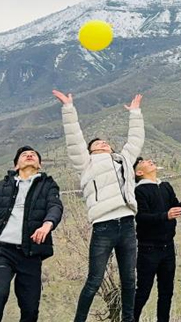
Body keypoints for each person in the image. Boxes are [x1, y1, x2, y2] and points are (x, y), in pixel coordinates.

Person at [55, 90, 143, 322]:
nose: (102, 144)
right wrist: (68, 109)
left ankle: (128, 319)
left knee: (129, 280)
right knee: (94, 279)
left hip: (127, 224)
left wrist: (135, 113)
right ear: (90, 150)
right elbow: (74, 139)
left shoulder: (122, 160)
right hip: (103, 226)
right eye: (96, 143)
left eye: (105, 142)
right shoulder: (85, 164)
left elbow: (135, 140)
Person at [0, 146, 63, 322]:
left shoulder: (48, 185)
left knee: (30, 307)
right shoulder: (2, 186)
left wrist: (47, 225)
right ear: (16, 165)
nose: (29, 155)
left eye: (33, 154)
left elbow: (55, 207)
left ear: (39, 165)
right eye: (24, 154)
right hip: (3, 250)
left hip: (31, 253)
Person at [132, 157, 181, 322]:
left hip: (168, 248)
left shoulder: (166, 186)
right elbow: (141, 217)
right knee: (143, 292)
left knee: (166, 292)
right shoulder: (139, 191)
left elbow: (176, 209)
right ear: (139, 172)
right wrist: (164, 216)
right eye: (145, 162)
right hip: (149, 248)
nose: (149, 160)